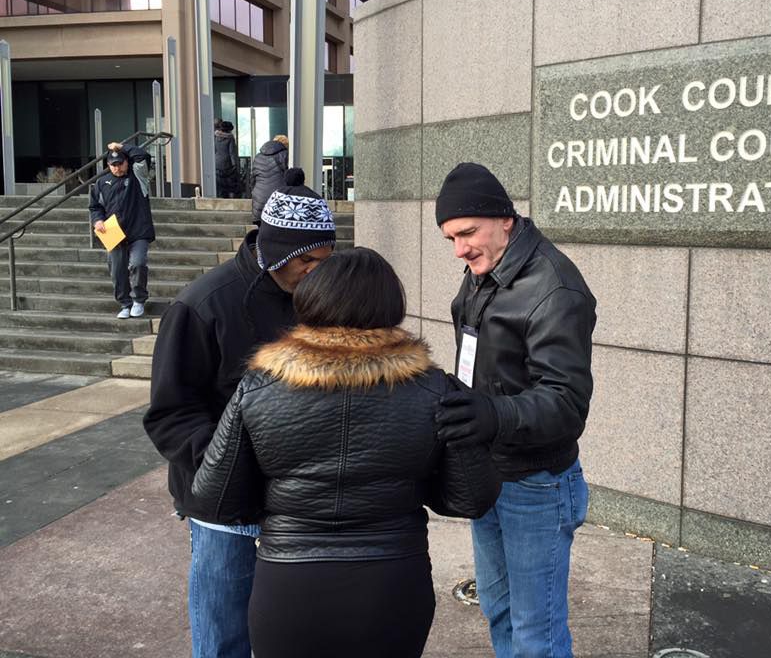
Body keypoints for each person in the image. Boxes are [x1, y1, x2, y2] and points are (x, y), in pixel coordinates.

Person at [191, 247, 501, 658]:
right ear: (391, 305)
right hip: (393, 580)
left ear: (311, 298)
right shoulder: (434, 391)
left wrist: (280, 505)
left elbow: (214, 500)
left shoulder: (259, 389)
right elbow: (470, 498)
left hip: (288, 583)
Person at [143, 168, 336, 658]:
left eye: (326, 260)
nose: (318, 272)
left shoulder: (319, 296)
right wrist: (227, 464)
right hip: (224, 508)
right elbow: (170, 414)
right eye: (307, 261)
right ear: (275, 252)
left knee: (295, 636)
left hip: (298, 499)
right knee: (224, 636)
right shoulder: (201, 306)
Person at [434, 162, 597, 658]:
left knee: (536, 633)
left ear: (503, 218)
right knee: (500, 612)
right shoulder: (486, 268)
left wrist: (492, 414)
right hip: (491, 470)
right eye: (451, 239)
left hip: (537, 486)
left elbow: (567, 403)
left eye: (467, 233)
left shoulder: (554, 286)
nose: (460, 249)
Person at [88, 141, 154, 319]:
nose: (117, 168)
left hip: (138, 230)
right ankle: (125, 303)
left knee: (137, 263)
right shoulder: (101, 183)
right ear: (108, 165)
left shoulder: (138, 175)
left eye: (120, 163)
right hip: (113, 232)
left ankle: (139, 299)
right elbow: (95, 207)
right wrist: (97, 221)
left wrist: (121, 147)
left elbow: (142, 155)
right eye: (113, 165)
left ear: (126, 162)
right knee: (117, 269)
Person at [250, 134, 289, 222]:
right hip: (277, 197)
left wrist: (254, 192)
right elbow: (288, 176)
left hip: (259, 197)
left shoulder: (258, 156)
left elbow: (253, 179)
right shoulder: (284, 155)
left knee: (260, 226)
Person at [215, 119, 242, 198]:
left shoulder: (215, 137)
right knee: (229, 185)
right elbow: (232, 153)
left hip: (217, 164)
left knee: (220, 185)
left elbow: (214, 150)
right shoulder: (230, 138)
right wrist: (235, 165)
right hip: (227, 165)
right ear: (229, 129)